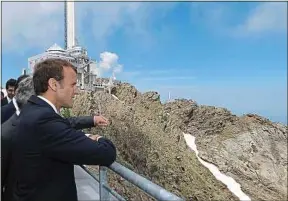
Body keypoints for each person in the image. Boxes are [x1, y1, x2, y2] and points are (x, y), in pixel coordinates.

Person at [7, 58, 116, 201]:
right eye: (73, 85)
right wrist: (97, 138)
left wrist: (91, 121)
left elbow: (64, 124)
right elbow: (106, 153)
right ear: (54, 84)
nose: (76, 91)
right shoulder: (44, 121)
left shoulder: (33, 110)